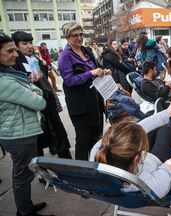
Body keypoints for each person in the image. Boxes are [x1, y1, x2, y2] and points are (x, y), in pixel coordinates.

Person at [91, 103, 171, 198]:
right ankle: (165, 115)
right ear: (136, 159)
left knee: (147, 130)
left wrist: (165, 113)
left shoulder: (98, 154)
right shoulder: (154, 187)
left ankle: (161, 112)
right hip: (157, 159)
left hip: (137, 158)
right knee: (167, 126)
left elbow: (132, 132)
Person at [0, 33, 52, 216]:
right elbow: (39, 102)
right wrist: (33, 92)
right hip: (19, 136)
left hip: (19, 133)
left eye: (15, 49)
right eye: (10, 51)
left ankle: (25, 207)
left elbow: (36, 89)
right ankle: (24, 212)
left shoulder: (9, 74)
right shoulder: (5, 81)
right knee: (22, 176)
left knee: (22, 174)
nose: (15, 54)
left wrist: (32, 91)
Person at [11, 31, 72, 160]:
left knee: (58, 131)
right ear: (16, 46)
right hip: (34, 105)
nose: (29, 46)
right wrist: (30, 80)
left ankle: (67, 162)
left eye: (30, 42)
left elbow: (44, 73)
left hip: (48, 99)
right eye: (24, 43)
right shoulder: (15, 62)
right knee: (39, 139)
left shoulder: (34, 58)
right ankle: (40, 169)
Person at [58, 22, 108, 160]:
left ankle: (94, 168)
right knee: (83, 140)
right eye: (75, 35)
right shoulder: (65, 56)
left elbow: (96, 70)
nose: (79, 38)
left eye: (81, 34)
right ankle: (81, 173)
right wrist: (91, 73)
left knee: (96, 139)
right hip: (80, 104)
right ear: (67, 37)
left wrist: (102, 72)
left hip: (95, 101)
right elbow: (69, 81)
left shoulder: (87, 50)